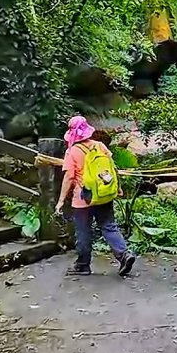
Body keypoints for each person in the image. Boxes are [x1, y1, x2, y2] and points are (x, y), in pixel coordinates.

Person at [54, 115, 136, 276]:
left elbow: (69, 177)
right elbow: (112, 168)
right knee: (109, 226)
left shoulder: (72, 151)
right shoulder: (100, 146)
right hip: (104, 194)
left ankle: (83, 265)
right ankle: (124, 254)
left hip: (84, 198)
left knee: (83, 231)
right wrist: (117, 187)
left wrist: (61, 200)